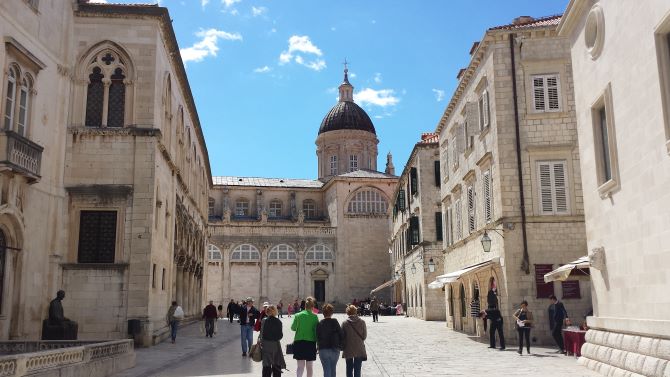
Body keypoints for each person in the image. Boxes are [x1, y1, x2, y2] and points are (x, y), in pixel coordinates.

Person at [291, 297, 319, 377]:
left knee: (300, 366)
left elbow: (293, 328)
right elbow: (316, 330)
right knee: (309, 366)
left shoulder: (298, 315)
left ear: (304, 306)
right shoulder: (315, 316)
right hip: (311, 342)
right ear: (312, 306)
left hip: (299, 341)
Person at [316, 304, 344, 377]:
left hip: (323, 349)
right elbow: (341, 334)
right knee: (333, 369)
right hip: (335, 348)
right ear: (332, 313)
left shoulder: (319, 323)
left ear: (323, 313)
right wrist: (340, 345)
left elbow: (317, 337)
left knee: (326, 370)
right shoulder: (335, 321)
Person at [260, 305, 285, 377]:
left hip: (266, 345)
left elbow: (262, 333)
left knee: (266, 366)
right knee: (276, 364)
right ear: (275, 312)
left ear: (267, 312)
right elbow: (280, 336)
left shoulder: (264, 320)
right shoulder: (278, 322)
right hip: (275, 345)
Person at [342, 305, 367, 377]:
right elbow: (364, 336)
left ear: (347, 312)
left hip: (348, 347)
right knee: (357, 369)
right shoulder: (362, 322)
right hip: (359, 348)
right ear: (356, 311)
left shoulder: (344, 323)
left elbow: (342, 337)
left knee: (349, 369)